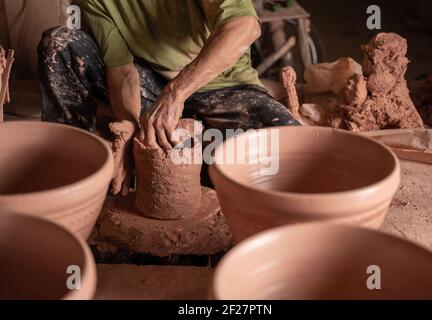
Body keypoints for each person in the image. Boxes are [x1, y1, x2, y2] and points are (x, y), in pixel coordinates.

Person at [38, 0, 299, 195]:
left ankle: (205, 169)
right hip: (152, 84)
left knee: (288, 153)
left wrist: (175, 94)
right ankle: (75, 179)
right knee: (60, 44)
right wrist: (128, 126)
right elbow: (121, 69)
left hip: (226, 88)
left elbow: (244, 26)